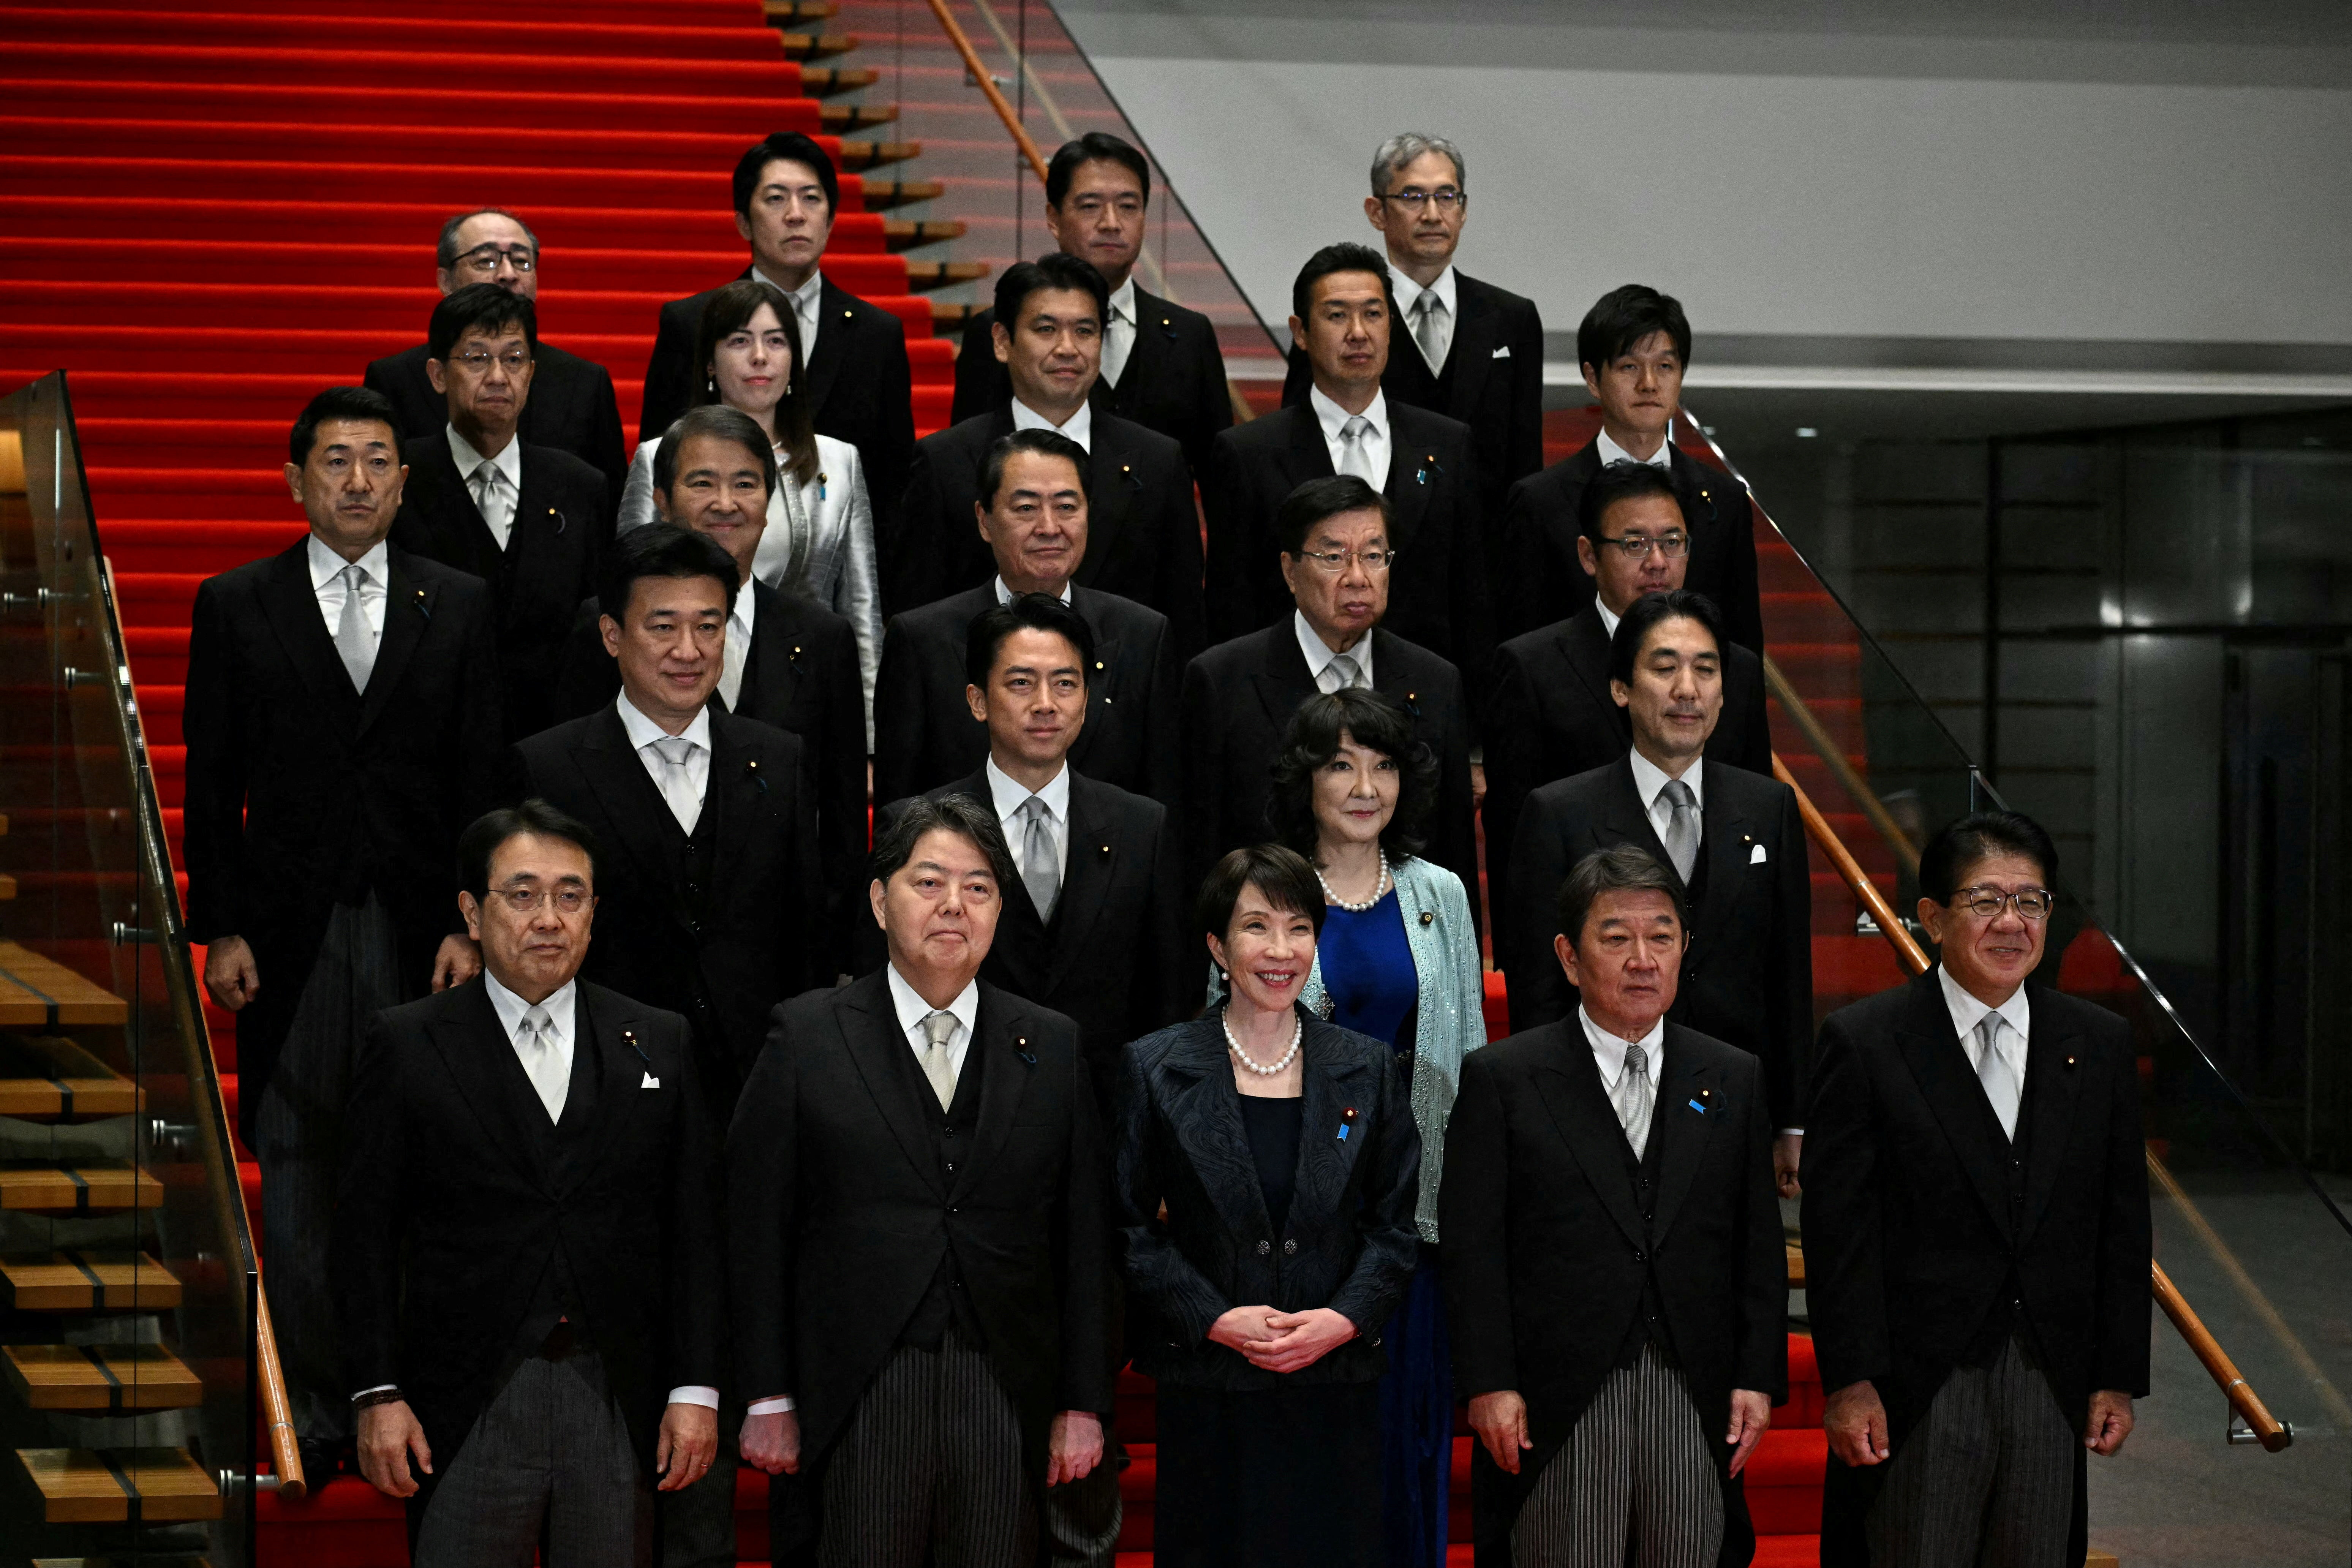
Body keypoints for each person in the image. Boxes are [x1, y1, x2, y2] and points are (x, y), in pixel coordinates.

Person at [183, 386, 501, 1479]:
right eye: (337, 462)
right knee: (304, 1161)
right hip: (290, 931)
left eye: (378, 461)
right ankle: (319, 1412)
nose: (359, 481)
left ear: (405, 482)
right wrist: (219, 927)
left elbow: (481, 776)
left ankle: (419, 1395)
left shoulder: (456, 603)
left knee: (430, 1158)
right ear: (295, 480)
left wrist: (477, 921)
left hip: (424, 929)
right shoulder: (235, 603)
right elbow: (213, 779)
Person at [331, 802, 722, 1563]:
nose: (549, 917)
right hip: (466, 1397)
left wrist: (695, 1389)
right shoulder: (408, 1044)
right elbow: (364, 1235)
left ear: (594, 912)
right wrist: (376, 1391)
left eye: (570, 896)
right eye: (522, 894)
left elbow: (696, 1230)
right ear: (472, 913)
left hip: (616, 1391)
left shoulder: (659, 1041)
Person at [729, 795, 1110, 1568]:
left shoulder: (1053, 1045)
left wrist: (1084, 1400)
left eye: (978, 888)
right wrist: (766, 1392)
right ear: (879, 899)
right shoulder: (805, 1036)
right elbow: (753, 1225)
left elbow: (1086, 1238)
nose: (953, 906)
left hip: (1007, 1379)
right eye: (928, 882)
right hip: (860, 1381)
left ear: (1000, 909)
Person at [903, 591, 1192, 1567]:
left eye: (1064, 682)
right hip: (952, 1157)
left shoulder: (1141, 824)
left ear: (1091, 698)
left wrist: (1151, 1155)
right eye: (1019, 682)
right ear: (978, 699)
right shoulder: (923, 829)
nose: (1043, 702)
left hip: (1096, 1166)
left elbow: (1164, 1012)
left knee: (1081, 1413)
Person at [1803, 812, 2150, 1568]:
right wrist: (1851, 1381)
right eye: (1985, 900)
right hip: (1918, 1384)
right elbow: (1840, 1235)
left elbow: (2121, 1226)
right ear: (1931, 918)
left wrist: (2117, 1377)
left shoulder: (2095, 1042)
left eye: (2031, 902)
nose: (2011, 922)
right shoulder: (1867, 1042)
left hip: (2049, 1376)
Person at [1442, 844, 1786, 1568]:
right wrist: (1489, 1381)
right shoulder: (1505, 1078)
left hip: (1693, 1385)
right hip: (1557, 1396)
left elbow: (1756, 1244)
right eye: (1616, 937)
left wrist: (1757, 1373)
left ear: (1683, 948)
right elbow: (1474, 1248)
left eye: (1661, 936)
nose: (1642, 958)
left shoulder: (1731, 1075)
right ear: (1569, 956)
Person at [1114, 844, 1422, 1568]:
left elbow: (1394, 1228)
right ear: (1218, 945)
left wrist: (1342, 1318)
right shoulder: (1156, 1065)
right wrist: (1215, 1318)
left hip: (1332, 1388)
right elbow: (1128, 1229)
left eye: (1298, 927)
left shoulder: (1367, 1065)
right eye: (1256, 927)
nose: (1280, 950)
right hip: (1209, 1387)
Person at [1264, 688, 1485, 1568]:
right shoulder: (1267, 886)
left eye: (1384, 763)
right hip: (1297, 1218)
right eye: (1342, 763)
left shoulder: (1439, 893)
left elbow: (1468, 1053)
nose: (1366, 785)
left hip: (1413, 1216)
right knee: (1309, 1460)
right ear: (1306, 778)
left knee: (1406, 1445)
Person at [1502, 590, 1811, 1192]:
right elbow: (1538, 983)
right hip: (1595, 1101)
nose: (1687, 689)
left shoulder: (1769, 806)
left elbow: (1788, 971)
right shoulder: (1560, 812)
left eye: (1706, 669)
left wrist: (1792, 1117)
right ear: (1622, 687)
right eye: (1665, 668)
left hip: (1731, 1103)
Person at [553, 406, 868, 954]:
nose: (725, 503)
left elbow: (840, 825)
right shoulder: (600, 625)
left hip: (769, 950)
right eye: (703, 483)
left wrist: (837, 950)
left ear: (769, 505)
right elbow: (571, 777)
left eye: (745, 484)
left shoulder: (823, 637)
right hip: (625, 947)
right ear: (661, 500)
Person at [1483, 461, 1771, 943]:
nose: (1657, 561)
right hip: (1589, 948)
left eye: (1672, 542)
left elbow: (1755, 807)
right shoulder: (1532, 667)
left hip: (1718, 957)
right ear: (1589, 555)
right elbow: (1516, 841)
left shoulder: (1734, 667)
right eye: (1635, 544)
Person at [1181, 474, 1476, 912]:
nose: (1358, 577)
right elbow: (1198, 850)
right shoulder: (1223, 680)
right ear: (1290, 570)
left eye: (1374, 556)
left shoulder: (1435, 682)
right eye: (1334, 557)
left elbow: (1452, 853)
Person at [1203, 242, 1489, 686]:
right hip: (1290, 704)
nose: (1359, 333)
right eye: (1337, 316)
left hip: (1420, 701)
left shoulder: (1448, 445)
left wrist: (1473, 737)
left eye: (1373, 314)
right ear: (1300, 332)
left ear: (1392, 325)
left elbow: (1471, 597)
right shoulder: (1248, 453)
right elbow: (1232, 606)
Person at [1280, 132, 1541, 609]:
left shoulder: (1513, 318)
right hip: (1345, 574)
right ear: (1377, 211)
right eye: (1413, 197)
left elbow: (1524, 468)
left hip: (1468, 577)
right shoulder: (1338, 318)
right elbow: (1299, 445)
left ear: (1464, 209)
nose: (1432, 213)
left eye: (1447, 196)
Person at [893, 252, 1201, 651]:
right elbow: (919, 618)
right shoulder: (945, 461)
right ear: (1003, 342)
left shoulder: (1158, 461)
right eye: (1046, 329)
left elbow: (1185, 618)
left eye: (1085, 331)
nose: (1068, 348)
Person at [874, 429, 1179, 808]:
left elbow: (1161, 805)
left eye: (1067, 507)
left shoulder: (1143, 637)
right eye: (1026, 508)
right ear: (984, 521)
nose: (1050, 528)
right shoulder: (922, 640)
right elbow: (899, 809)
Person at [619, 278, 881, 720]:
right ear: (709, 362)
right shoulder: (655, 456)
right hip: (676, 683)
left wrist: (871, 735)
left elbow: (861, 608)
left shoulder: (839, 462)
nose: (760, 357)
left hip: (801, 690)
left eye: (776, 341)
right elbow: (628, 589)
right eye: (740, 341)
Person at [639, 131, 915, 544]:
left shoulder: (877, 335)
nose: (796, 214)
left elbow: (893, 483)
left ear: (832, 219)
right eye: (776, 199)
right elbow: (662, 463)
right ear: (743, 222)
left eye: (811, 198)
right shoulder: (691, 322)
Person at [388, 283, 607, 741]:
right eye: (476, 358)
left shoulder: (579, 485)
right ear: (438, 374)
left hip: (550, 740)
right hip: (430, 737)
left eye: (513, 359)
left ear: (531, 373)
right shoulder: (398, 479)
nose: (497, 376)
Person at [950, 132, 1233, 479]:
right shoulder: (1000, 329)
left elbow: (1218, 477)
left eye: (1129, 206)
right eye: (1090, 206)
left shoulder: (1190, 334)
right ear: (1054, 218)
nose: (1111, 223)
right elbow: (966, 461)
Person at [1496, 285, 1761, 650]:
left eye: (1665, 367)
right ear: (1593, 379)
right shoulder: (1539, 501)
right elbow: (1522, 644)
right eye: (1630, 367)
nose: (1649, 384)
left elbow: (1742, 642)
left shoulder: (1724, 499)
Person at [364, 207, 628, 509]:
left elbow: (609, 506)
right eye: (486, 260)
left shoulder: (585, 382)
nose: (508, 274)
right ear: (445, 280)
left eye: (522, 262)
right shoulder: (395, 379)